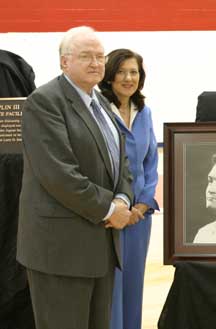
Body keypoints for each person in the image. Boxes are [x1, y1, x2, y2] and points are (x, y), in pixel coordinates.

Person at [16, 26, 133, 329]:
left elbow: (121, 162)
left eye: (100, 56)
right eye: (86, 56)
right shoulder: (44, 102)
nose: (96, 63)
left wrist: (123, 197)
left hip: (100, 247)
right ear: (64, 62)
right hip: (61, 252)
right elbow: (59, 175)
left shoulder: (103, 103)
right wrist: (111, 209)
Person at [98, 49, 159, 329]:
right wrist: (117, 208)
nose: (128, 78)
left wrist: (144, 205)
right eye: (121, 71)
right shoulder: (97, 109)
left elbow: (150, 162)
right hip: (108, 216)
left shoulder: (144, 112)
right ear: (109, 76)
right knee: (110, 288)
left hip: (139, 219)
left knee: (134, 283)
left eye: (134, 72)